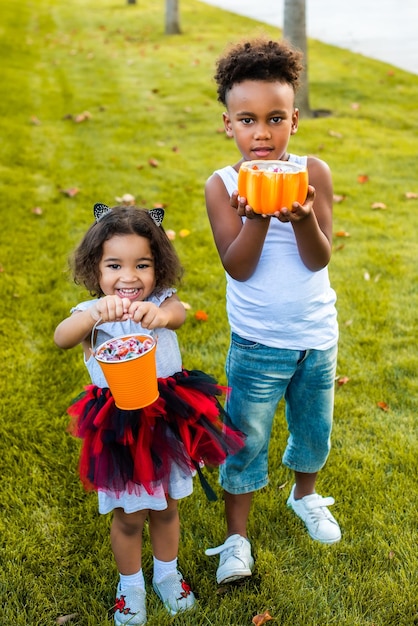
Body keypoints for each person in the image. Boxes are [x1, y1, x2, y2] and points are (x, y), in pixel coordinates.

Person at [54, 203, 243, 624]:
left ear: (158, 268)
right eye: (114, 265)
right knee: (128, 515)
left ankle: (167, 576)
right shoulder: (92, 316)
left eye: (142, 265)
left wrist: (159, 314)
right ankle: (131, 587)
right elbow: (61, 338)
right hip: (120, 427)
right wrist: (91, 315)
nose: (129, 277)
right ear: (95, 270)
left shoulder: (159, 304)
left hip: (166, 418)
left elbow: (178, 312)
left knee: (167, 507)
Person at [204, 38, 341, 585]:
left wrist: (302, 216)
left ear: (295, 120)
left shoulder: (313, 173)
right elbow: (237, 267)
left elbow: (318, 257)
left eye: (275, 118)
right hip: (258, 342)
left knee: (313, 428)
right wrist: (257, 217)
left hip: (315, 336)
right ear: (228, 124)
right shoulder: (223, 186)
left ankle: (304, 495)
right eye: (248, 120)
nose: (262, 132)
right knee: (245, 438)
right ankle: (237, 536)